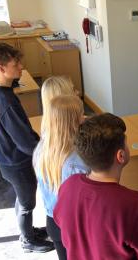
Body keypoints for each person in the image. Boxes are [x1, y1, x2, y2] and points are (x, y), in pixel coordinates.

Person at [54, 113, 138, 260]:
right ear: (120, 156)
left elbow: (60, 222)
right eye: (126, 143)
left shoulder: (67, 186)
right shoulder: (133, 204)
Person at [0, 42, 53, 253]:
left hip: (7, 158)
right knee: (27, 203)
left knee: (22, 197)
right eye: (16, 63)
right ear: (1, 68)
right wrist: (47, 153)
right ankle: (27, 241)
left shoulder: (0, 92)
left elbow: (21, 132)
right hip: (16, 162)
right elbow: (24, 142)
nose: (21, 66)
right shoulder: (5, 101)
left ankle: (29, 231)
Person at [33, 95, 89, 260]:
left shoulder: (41, 149)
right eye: (81, 114)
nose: (84, 117)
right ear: (73, 122)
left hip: (52, 221)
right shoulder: (78, 162)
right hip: (75, 226)